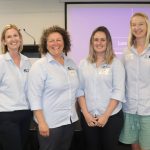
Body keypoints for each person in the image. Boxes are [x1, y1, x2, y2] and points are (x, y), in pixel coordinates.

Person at [27, 25, 79, 150]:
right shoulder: (39, 66)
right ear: (46, 44)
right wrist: (42, 123)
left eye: (58, 40)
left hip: (69, 121)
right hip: (50, 124)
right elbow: (34, 97)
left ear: (64, 42)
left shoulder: (71, 63)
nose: (55, 43)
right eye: (51, 40)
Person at [77, 26, 125, 150]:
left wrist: (105, 116)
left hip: (111, 117)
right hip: (89, 118)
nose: (99, 43)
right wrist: (86, 114)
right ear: (92, 42)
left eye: (103, 40)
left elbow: (118, 91)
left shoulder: (115, 63)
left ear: (108, 42)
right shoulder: (83, 64)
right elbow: (79, 90)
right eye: (96, 40)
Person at [119, 12, 150, 150]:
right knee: (134, 144)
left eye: (140, 24)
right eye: (133, 25)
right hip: (130, 108)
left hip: (148, 109)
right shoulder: (126, 52)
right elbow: (122, 78)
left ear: (147, 26)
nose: (137, 28)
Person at [0, 24, 32, 150]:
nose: (13, 39)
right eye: (9, 37)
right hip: (6, 115)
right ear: (4, 41)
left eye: (15, 35)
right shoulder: (1, 61)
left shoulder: (27, 61)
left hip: (25, 113)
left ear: (20, 39)